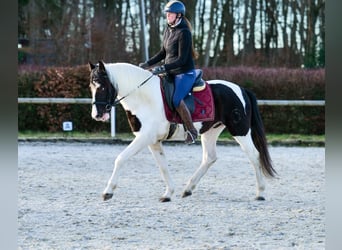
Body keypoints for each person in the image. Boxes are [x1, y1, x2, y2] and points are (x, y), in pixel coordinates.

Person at [139, 0, 198, 144]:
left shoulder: (184, 32)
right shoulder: (168, 29)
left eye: (170, 14)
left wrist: (163, 68)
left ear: (179, 15)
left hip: (185, 73)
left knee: (176, 100)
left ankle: (191, 130)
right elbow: (163, 53)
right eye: (167, 13)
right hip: (171, 71)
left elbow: (182, 60)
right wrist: (147, 64)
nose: (167, 16)